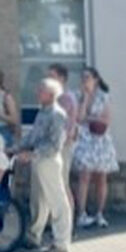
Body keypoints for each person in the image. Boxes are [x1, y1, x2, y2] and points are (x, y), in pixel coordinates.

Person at [17, 77, 71, 252]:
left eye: (41, 90)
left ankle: (61, 242)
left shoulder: (57, 114)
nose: (37, 93)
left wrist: (33, 154)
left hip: (48, 160)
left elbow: (55, 144)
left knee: (57, 201)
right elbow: (34, 136)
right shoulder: (42, 113)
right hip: (38, 160)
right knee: (38, 200)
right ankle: (34, 236)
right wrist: (19, 147)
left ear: (51, 94)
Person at [73, 66, 118, 229]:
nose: (84, 80)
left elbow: (106, 119)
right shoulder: (78, 96)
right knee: (84, 176)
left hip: (101, 139)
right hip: (85, 139)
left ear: (95, 79)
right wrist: (85, 98)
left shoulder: (104, 97)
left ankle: (100, 213)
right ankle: (81, 213)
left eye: (87, 77)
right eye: (83, 77)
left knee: (101, 177)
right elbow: (79, 118)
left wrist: (89, 118)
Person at [48, 63, 80, 215]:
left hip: (62, 146)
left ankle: (67, 220)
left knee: (61, 182)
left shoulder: (64, 98)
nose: (48, 80)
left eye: (52, 76)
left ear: (61, 78)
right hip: (59, 144)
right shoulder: (60, 97)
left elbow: (64, 125)